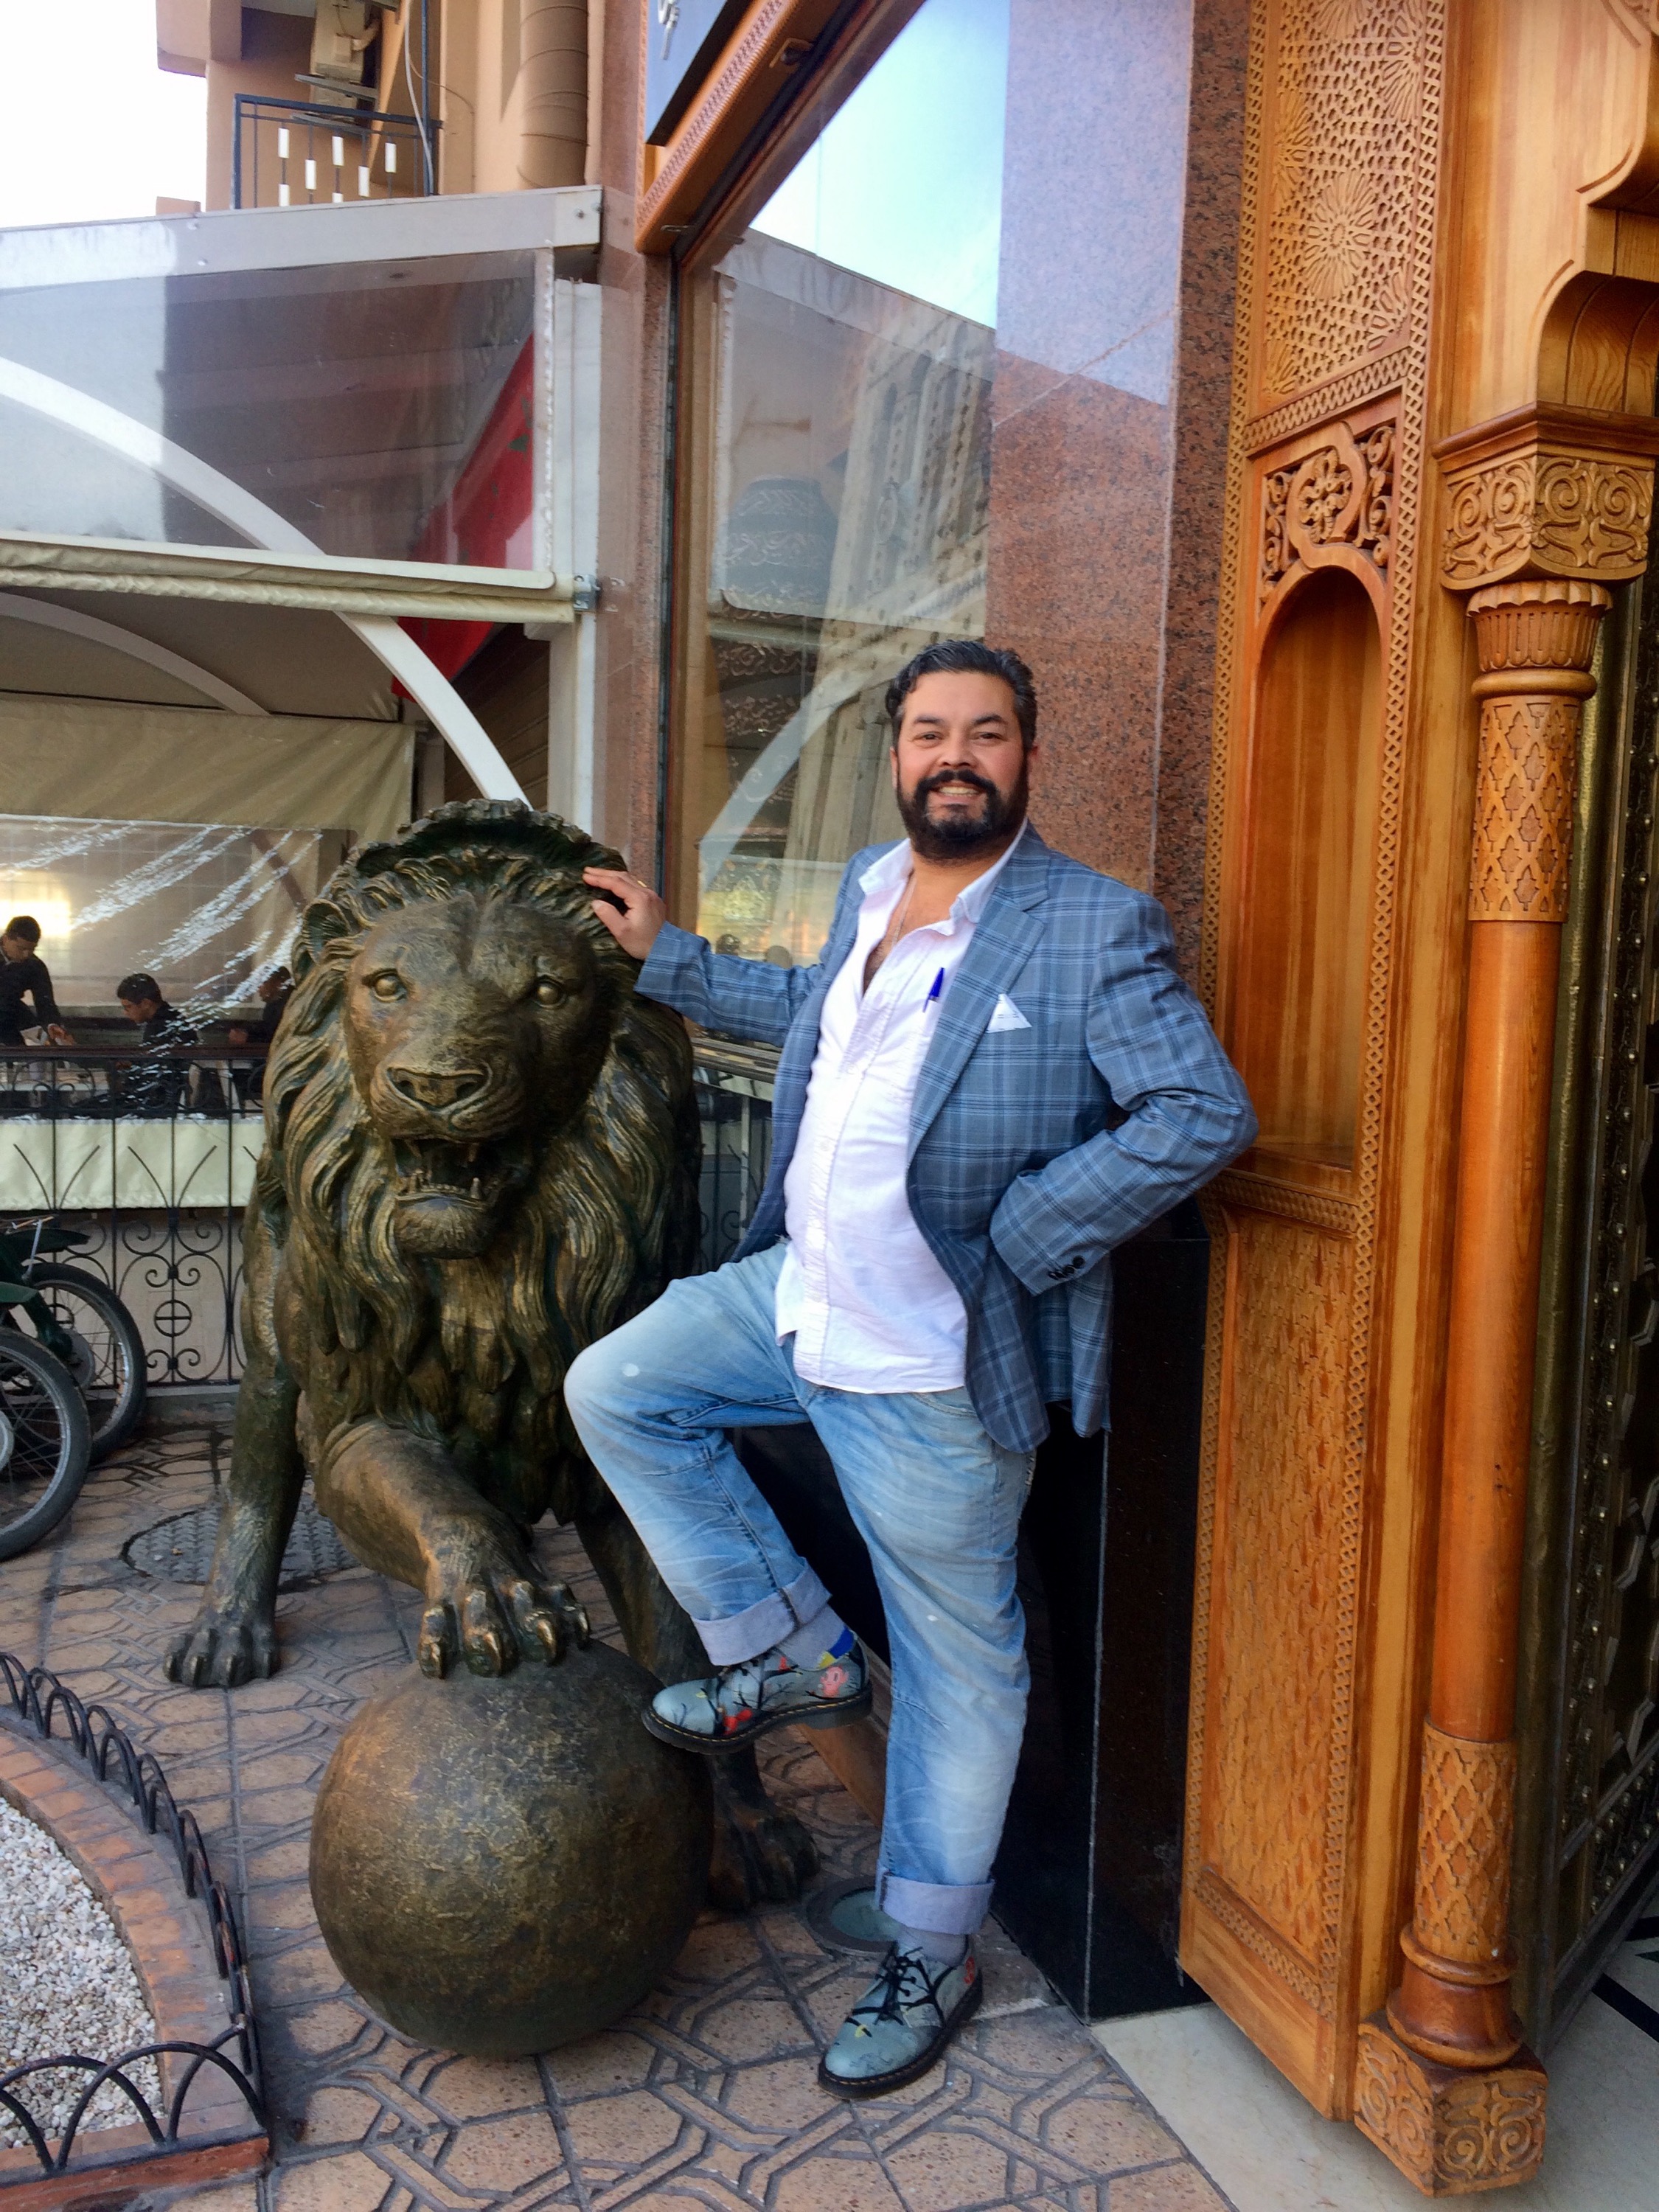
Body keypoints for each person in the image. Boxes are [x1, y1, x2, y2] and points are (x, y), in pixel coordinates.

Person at [564, 639, 1256, 2098]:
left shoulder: (1093, 925)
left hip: (936, 1361)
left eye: (986, 732)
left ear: (1027, 756)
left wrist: (1032, 1229)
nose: (956, 756)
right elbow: (812, 1015)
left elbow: (1200, 1111)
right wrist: (667, 958)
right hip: (796, 1299)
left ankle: (934, 1950)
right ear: (895, 755)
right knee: (618, 1386)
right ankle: (791, 1649)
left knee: (958, 1672)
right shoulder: (871, 888)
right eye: (930, 730)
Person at [115, 973, 198, 1116]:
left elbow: (154, 1074)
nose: (126, 1013)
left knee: (85, 1110)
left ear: (146, 1003)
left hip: (157, 1105)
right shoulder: (170, 1020)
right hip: (163, 1100)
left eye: (128, 1007)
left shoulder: (161, 1027)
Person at [0, 916, 74, 1048]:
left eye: (32, 949)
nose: (26, 955)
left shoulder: (34, 966)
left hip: (10, 1017)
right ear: (6, 939)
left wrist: (51, 1024)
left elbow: (45, 1001)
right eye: (21, 948)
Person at [228, 965, 292, 1106]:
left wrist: (248, 1038)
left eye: (262, 983)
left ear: (279, 983)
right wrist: (246, 1032)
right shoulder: (275, 1004)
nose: (258, 989)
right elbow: (267, 1029)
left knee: (228, 1078)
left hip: (278, 1071)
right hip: (270, 1068)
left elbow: (276, 1036)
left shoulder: (289, 1005)